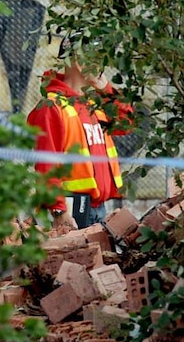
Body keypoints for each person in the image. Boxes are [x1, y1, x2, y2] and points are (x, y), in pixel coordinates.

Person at [27, 33, 133, 230]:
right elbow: (46, 165)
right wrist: (59, 211)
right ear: (77, 61)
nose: (101, 64)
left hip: (96, 208)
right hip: (70, 211)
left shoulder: (93, 105)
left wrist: (105, 87)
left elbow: (128, 122)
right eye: (96, 57)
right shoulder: (52, 107)